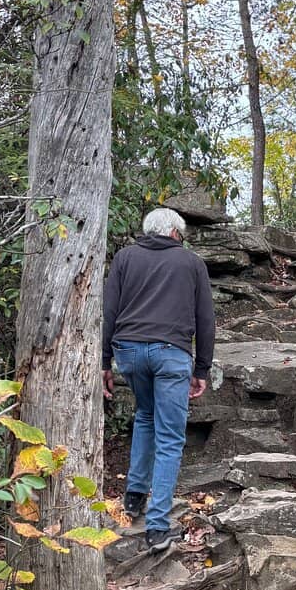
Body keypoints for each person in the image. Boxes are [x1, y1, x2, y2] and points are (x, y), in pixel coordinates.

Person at [101, 207, 215, 552]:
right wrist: (203, 369)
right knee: (170, 437)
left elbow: (109, 311)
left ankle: (134, 497)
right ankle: (157, 525)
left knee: (146, 415)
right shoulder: (191, 263)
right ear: (175, 233)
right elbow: (205, 319)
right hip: (171, 354)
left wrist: (105, 361)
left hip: (130, 353)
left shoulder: (124, 258)